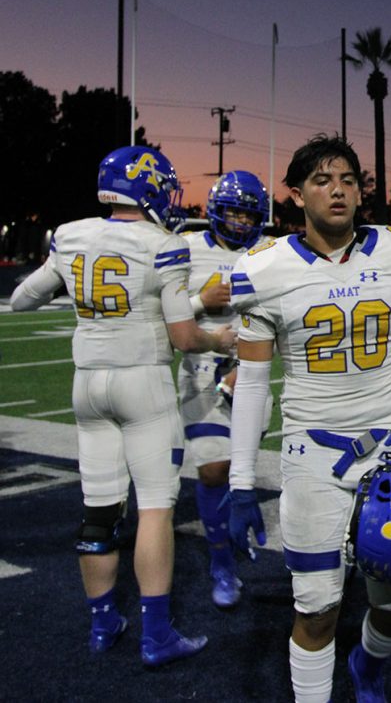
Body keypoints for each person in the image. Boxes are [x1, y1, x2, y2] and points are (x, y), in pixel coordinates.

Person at [226, 134, 391, 703]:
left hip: (390, 452)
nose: (339, 190)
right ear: (297, 194)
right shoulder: (264, 267)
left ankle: (367, 664)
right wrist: (241, 481)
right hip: (312, 456)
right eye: (322, 180)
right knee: (318, 608)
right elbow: (251, 382)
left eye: (348, 179)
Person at [10, 145, 236, 666]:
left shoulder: (70, 235)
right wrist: (219, 340)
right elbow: (182, 336)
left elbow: (23, 298)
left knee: (98, 511)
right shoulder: (164, 244)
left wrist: (82, 294)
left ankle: (103, 623)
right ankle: (156, 635)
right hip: (144, 384)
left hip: (87, 386)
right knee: (156, 508)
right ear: (149, 186)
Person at [178, 170, 270, 608]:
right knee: (214, 469)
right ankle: (222, 563)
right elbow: (164, 312)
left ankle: (232, 532)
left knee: (240, 471)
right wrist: (200, 302)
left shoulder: (268, 254)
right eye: (231, 211)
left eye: (246, 214)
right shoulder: (187, 249)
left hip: (249, 373)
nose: (237, 221)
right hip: (200, 373)